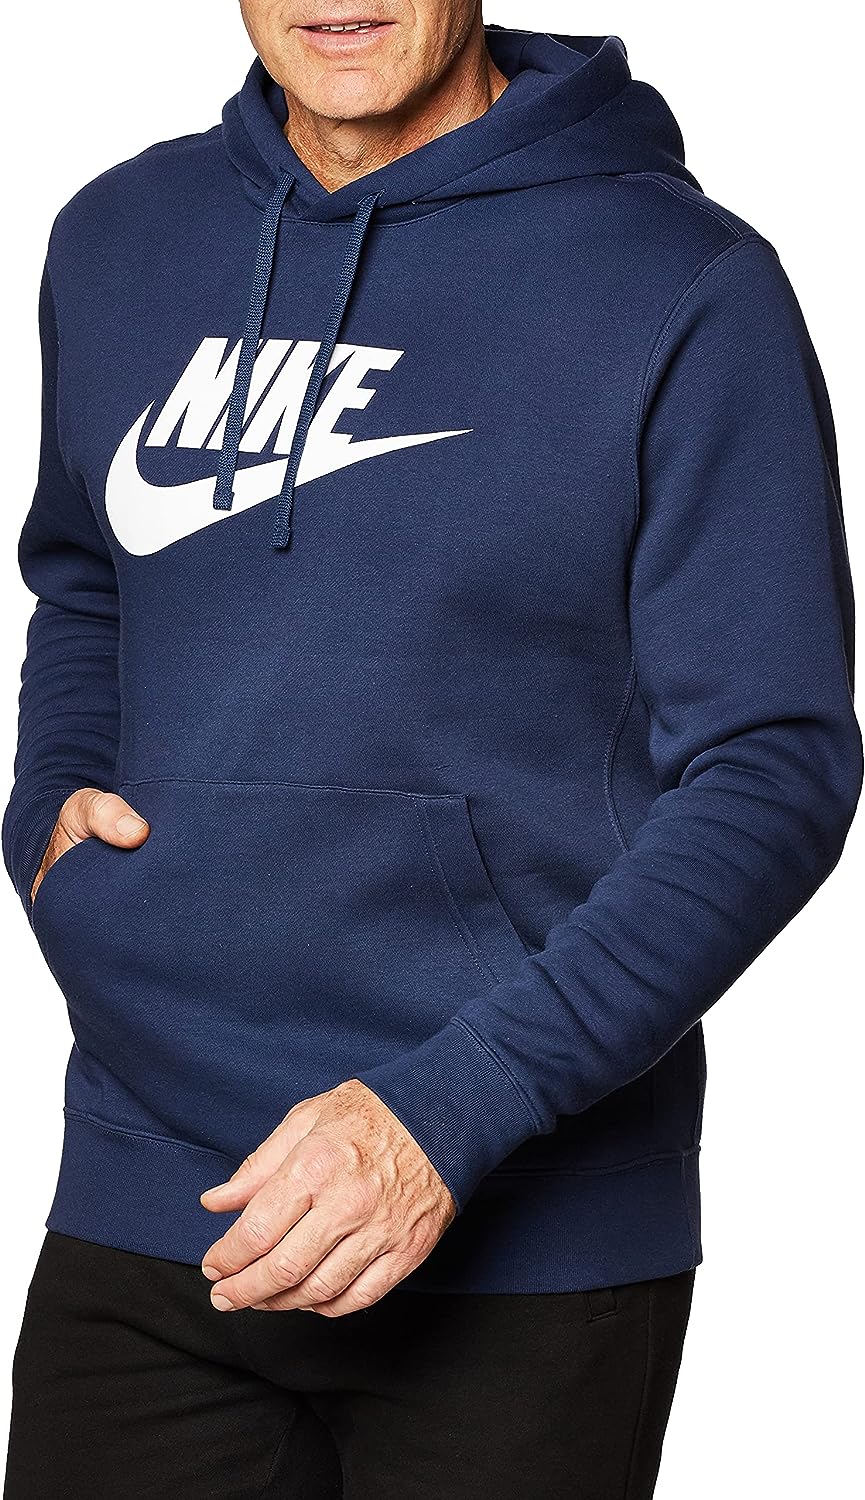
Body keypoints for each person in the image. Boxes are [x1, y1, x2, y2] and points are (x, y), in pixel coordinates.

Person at [2, 4, 861, 1497]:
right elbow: (84, 583)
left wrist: (455, 1107)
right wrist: (49, 830)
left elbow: (774, 762)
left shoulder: (682, 282)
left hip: (523, 1237)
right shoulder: (120, 237)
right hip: (152, 1189)